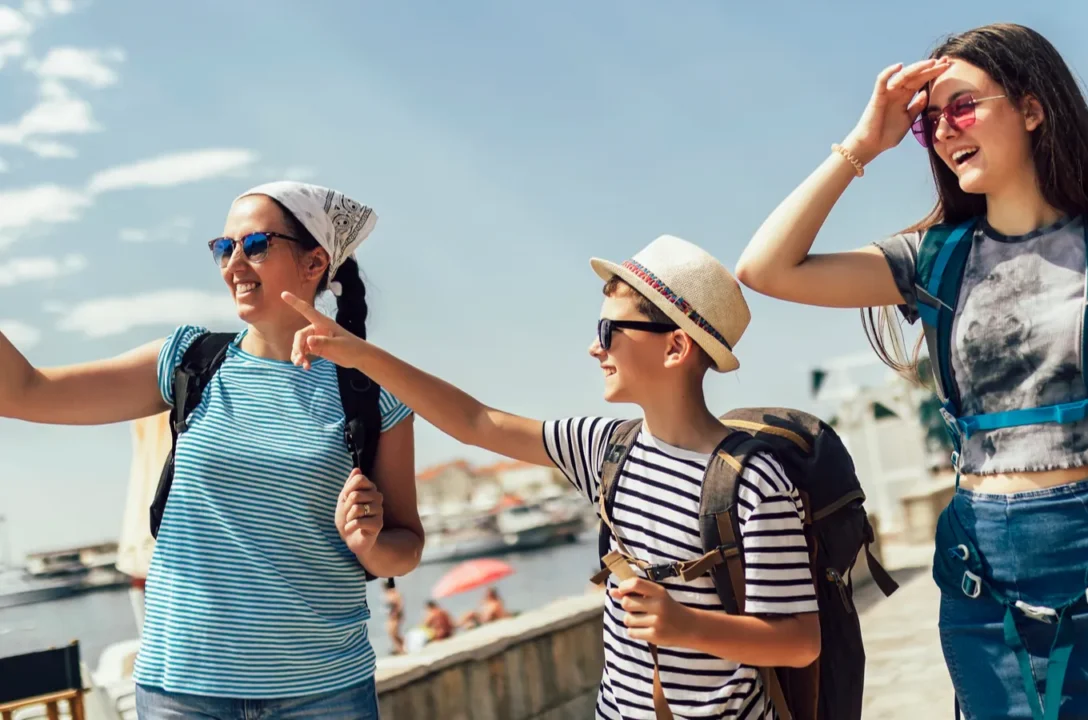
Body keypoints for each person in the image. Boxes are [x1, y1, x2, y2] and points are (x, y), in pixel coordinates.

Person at [734, 23, 1088, 719]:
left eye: (962, 106)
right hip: (981, 585)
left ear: (1032, 108)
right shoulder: (932, 259)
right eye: (929, 121)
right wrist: (862, 145)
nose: (943, 130)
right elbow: (765, 269)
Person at [280, 235, 820, 718]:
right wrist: (359, 355)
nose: (595, 347)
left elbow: (800, 641)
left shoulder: (753, 480)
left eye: (609, 330)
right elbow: (476, 421)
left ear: (675, 346)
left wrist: (689, 627)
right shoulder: (606, 447)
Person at [0, 181, 423, 718]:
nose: (234, 264)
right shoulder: (187, 362)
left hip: (324, 692)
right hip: (182, 691)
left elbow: (407, 544)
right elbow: (22, 392)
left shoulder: (372, 390)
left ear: (315, 262)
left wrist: (371, 545)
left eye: (256, 245)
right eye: (224, 248)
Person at [384, 579, 406, 655]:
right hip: (393, 615)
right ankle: (399, 648)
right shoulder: (393, 593)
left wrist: (396, 613)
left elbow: (398, 605)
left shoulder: (393, 594)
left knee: (393, 633)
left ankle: (401, 648)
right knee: (392, 633)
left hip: (395, 616)